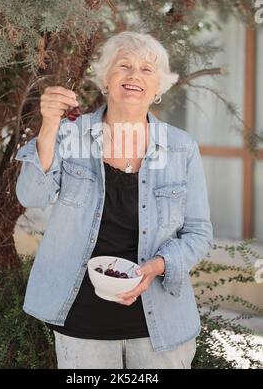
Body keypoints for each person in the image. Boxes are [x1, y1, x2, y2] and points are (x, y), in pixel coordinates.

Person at [15, 31, 213, 369]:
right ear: (105, 78)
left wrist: (160, 265)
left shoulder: (181, 147)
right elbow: (31, 196)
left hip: (159, 323)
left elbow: (199, 233)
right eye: (124, 66)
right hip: (81, 318)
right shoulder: (70, 134)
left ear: (159, 87)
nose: (134, 75)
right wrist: (48, 125)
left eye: (147, 70)